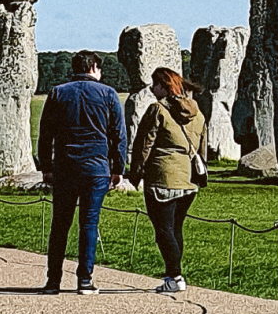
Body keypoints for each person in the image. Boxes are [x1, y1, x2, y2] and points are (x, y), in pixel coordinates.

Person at [37, 50, 128, 295]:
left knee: (60, 224)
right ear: (94, 68)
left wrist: (46, 166)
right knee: (89, 223)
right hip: (96, 167)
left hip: (65, 165)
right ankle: (84, 280)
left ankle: (53, 280)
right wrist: (118, 167)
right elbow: (118, 135)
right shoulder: (108, 93)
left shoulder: (58, 92)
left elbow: (46, 133)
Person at [129, 67, 207, 294]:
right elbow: (202, 146)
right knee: (176, 229)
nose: (153, 89)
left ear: (164, 86)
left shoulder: (157, 110)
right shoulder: (197, 113)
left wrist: (135, 173)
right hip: (188, 180)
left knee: (163, 230)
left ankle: (175, 276)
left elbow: (144, 144)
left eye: (156, 84)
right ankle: (173, 275)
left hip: (162, 177)